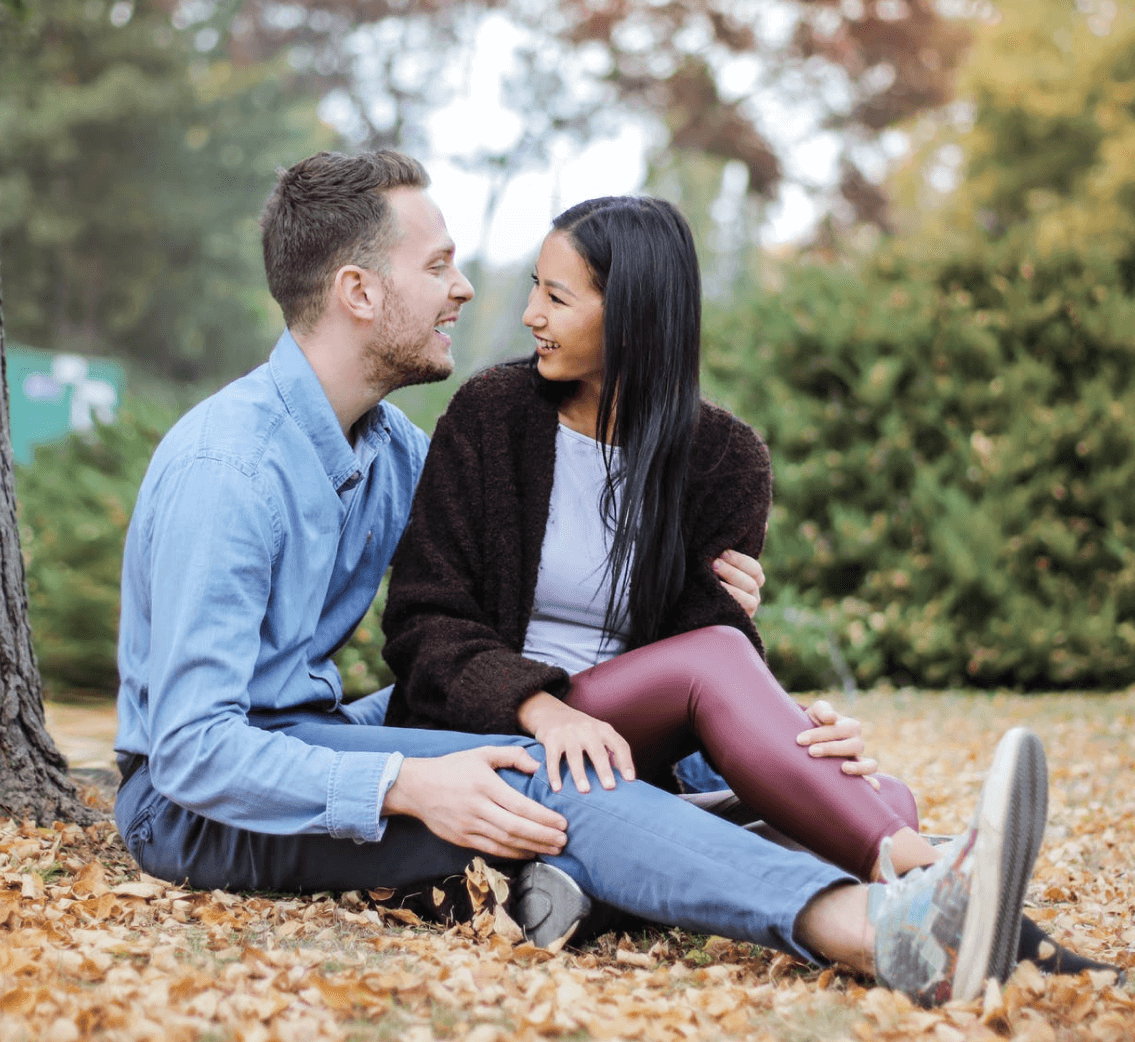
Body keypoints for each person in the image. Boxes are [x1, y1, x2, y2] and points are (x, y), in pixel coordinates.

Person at [113, 149, 1051, 1007]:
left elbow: (515, 589)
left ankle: (855, 853)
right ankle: (876, 926)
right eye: (437, 266)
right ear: (357, 291)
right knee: (542, 772)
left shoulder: (390, 451)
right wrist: (404, 785)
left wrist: (765, 706)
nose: (467, 290)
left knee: (574, 766)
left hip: (316, 735)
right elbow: (194, 749)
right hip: (195, 805)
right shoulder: (228, 472)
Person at [380, 195, 1118, 978]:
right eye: (536, 287)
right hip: (491, 728)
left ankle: (582, 885)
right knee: (828, 779)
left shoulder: (723, 458)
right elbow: (423, 620)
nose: (531, 313)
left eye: (555, 297)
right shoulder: (493, 415)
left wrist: (792, 728)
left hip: (625, 750)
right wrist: (541, 706)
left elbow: (701, 650)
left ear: (632, 314)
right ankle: (929, 877)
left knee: (876, 791)